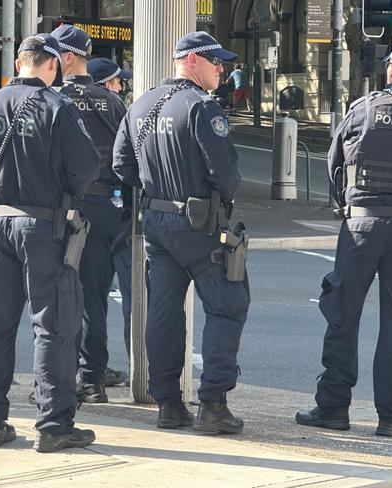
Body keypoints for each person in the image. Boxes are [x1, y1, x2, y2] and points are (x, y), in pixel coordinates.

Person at [0, 33, 100, 452]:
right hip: (44, 227)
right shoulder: (58, 108)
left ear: (20, 61)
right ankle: (53, 424)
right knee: (53, 328)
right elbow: (86, 168)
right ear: (52, 66)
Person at [296, 39, 392, 437]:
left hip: (361, 225)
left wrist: (348, 207)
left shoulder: (362, 110)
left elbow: (332, 168)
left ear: (389, 69)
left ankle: (333, 409)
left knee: (343, 316)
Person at [113, 31, 250, 434]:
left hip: (156, 221)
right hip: (201, 225)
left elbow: (122, 167)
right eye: (216, 62)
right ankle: (213, 406)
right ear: (192, 60)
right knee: (229, 304)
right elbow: (226, 175)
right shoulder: (202, 108)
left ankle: (169, 404)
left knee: (164, 313)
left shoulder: (139, 105)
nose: (221, 69)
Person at [52, 25, 129, 398]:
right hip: (105, 206)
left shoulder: (54, 98)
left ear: (66, 57)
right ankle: (92, 378)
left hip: (65, 205)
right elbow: (127, 154)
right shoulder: (111, 101)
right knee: (95, 296)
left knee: (60, 295)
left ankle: (58, 378)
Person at [88, 55, 134, 378]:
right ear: (107, 84)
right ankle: (97, 372)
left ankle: (83, 371)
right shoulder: (116, 106)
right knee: (106, 293)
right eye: (119, 81)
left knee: (74, 296)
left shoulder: (63, 102)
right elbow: (126, 161)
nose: (122, 87)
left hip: (70, 208)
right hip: (111, 209)